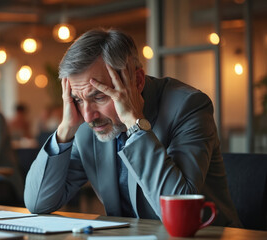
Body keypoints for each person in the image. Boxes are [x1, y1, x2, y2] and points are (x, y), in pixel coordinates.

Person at [24, 29, 241, 227]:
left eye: (99, 96)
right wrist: (65, 130)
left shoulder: (189, 107)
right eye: (77, 99)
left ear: (137, 81)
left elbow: (177, 211)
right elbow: (38, 203)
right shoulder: (82, 120)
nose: (88, 116)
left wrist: (136, 125)